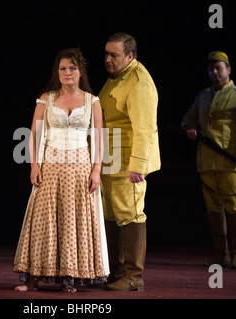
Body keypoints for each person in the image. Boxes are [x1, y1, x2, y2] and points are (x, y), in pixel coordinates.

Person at [13, 48, 109, 293]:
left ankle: (70, 276)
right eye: (63, 68)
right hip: (51, 165)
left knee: (73, 220)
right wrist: (34, 165)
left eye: (73, 68)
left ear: (80, 71)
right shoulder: (47, 98)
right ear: (57, 72)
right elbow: (33, 134)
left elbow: (99, 138)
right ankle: (34, 275)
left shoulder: (92, 101)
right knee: (44, 220)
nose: (68, 72)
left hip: (79, 166)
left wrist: (96, 170)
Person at [181, 51, 236, 269]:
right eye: (211, 69)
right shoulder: (203, 96)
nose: (214, 72)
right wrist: (191, 129)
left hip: (230, 162)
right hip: (206, 162)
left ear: (229, 70)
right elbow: (187, 119)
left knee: (234, 206)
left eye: (219, 68)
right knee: (213, 208)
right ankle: (221, 254)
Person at [98, 32, 160, 291]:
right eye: (106, 54)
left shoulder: (138, 81)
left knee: (131, 213)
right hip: (110, 155)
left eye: (114, 55)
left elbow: (145, 127)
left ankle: (134, 275)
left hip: (127, 158)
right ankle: (116, 271)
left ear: (130, 56)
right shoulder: (115, 79)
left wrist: (138, 165)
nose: (108, 60)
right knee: (112, 214)